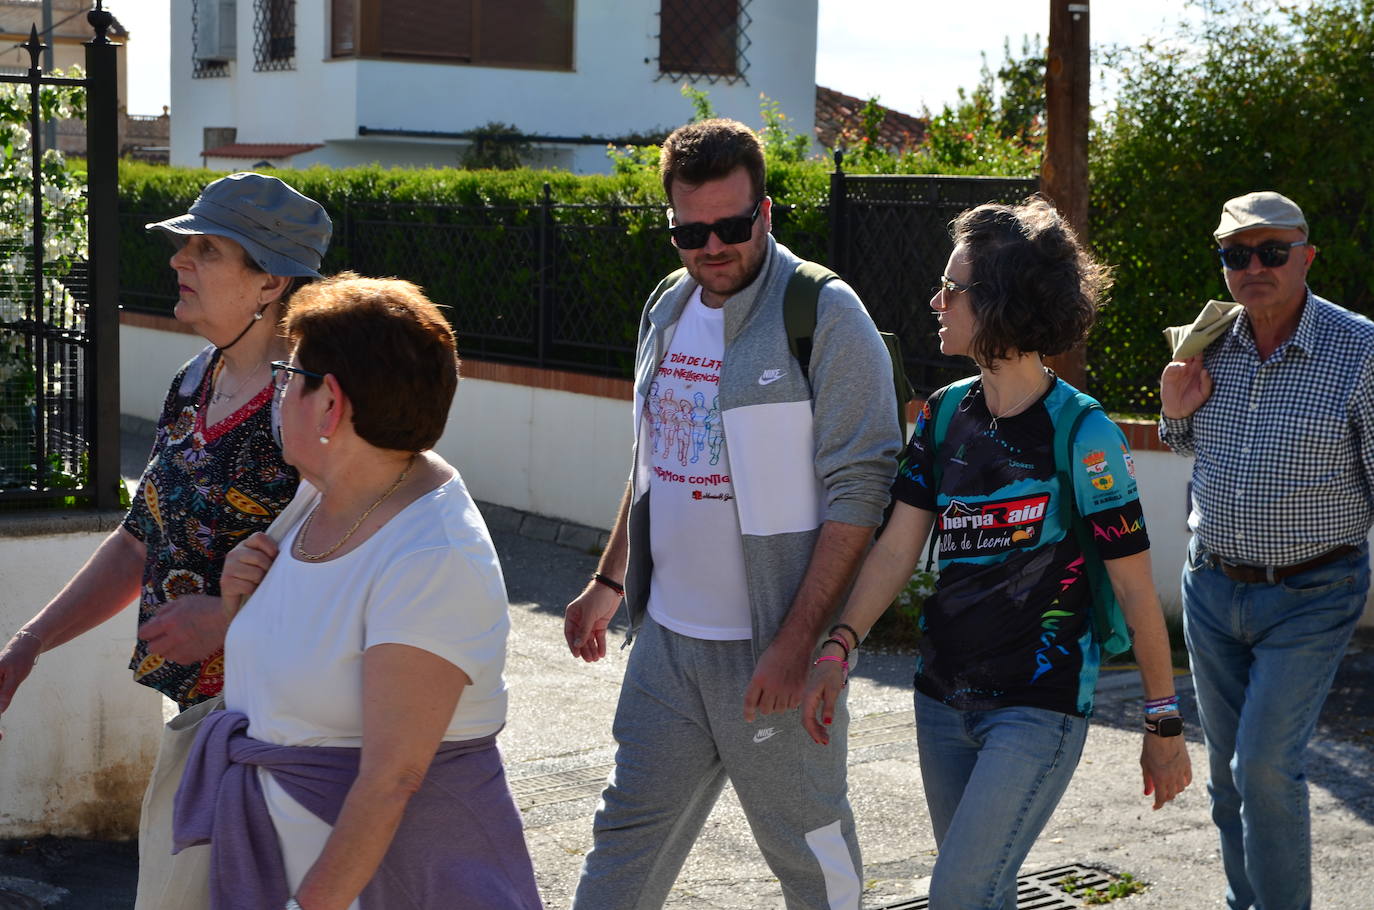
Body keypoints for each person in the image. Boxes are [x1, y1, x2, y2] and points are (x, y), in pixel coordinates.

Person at [803, 198, 1192, 910]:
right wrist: (839, 643)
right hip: (942, 699)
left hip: (1036, 708)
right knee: (984, 895)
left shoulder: (1084, 434)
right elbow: (896, 548)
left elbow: (1138, 594)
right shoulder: (946, 415)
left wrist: (1163, 724)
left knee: (958, 892)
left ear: (1001, 302)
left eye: (952, 288)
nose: (935, 300)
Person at [562, 118, 901, 909]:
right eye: (690, 230)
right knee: (624, 845)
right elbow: (655, 458)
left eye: (731, 225)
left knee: (816, 864)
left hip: (769, 654)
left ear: (768, 212)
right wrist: (609, 581)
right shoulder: (666, 306)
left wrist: (795, 645)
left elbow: (861, 492)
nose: (711, 246)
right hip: (666, 647)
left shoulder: (825, 314)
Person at [177, 274, 543, 910]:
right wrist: (245, 609)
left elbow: (391, 780)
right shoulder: (321, 496)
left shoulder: (433, 556)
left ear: (330, 405)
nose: (277, 390)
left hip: (400, 886)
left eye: (289, 376)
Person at [0, 172, 330, 722]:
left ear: (270, 283)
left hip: (287, 722)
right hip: (204, 714)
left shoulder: (306, 400)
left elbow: (352, 558)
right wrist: (31, 641)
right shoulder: (194, 379)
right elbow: (138, 540)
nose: (179, 260)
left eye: (207, 249)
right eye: (184, 245)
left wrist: (227, 617)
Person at [1159, 191, 1373, 910]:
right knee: (1225, 772)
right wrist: (1172, 410)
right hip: (1211, 588)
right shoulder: (1208, 337)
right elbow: (1187, 445)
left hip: (1313, 592)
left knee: (1264, 768)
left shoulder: (1361, 349)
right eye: (1236, 254)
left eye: (1271, 251)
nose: (1254, 267)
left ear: (1306, 256)